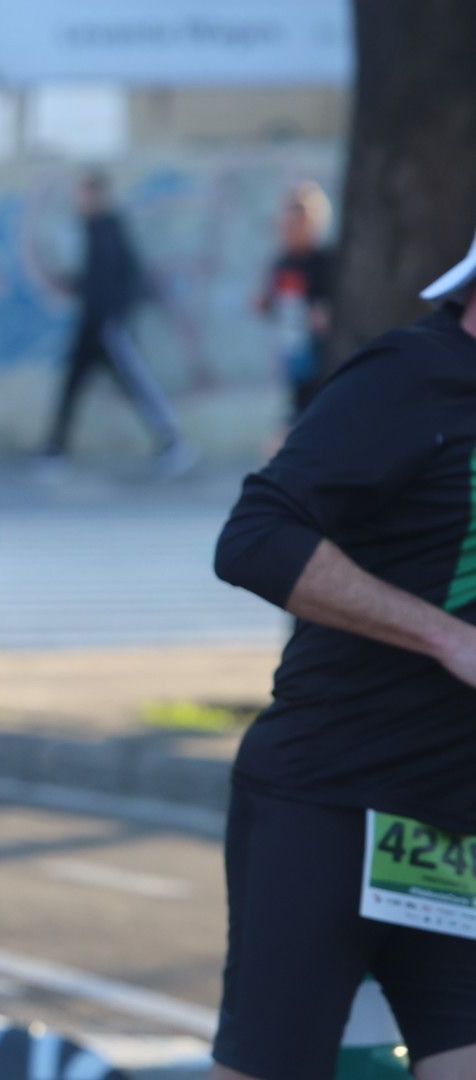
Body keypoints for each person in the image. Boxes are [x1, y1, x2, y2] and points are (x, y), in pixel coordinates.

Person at [209, 228, 476, 1080]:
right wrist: (443, 634)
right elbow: (253, 539)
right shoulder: (410, 379)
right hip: (331, 800)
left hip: (452, 827)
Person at [41, 170, 196, 476]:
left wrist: (112, 317)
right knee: (71, 388)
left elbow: (121, 277)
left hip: (107, 326)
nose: (80, 201)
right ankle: (53, 451)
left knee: (137, 386)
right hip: (90, 324)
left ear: (97, 195)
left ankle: (174, 442)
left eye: (84, 194)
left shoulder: (108, 227)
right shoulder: (89, 228)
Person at [255, 180, 335, 423]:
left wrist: (326, 316)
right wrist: (265, 305)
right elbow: (273, 304)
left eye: (298, 222)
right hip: (294, 354)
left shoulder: (325, 262)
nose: (289, 229)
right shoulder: (281, 264)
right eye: (286, 224)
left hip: (325, 358)